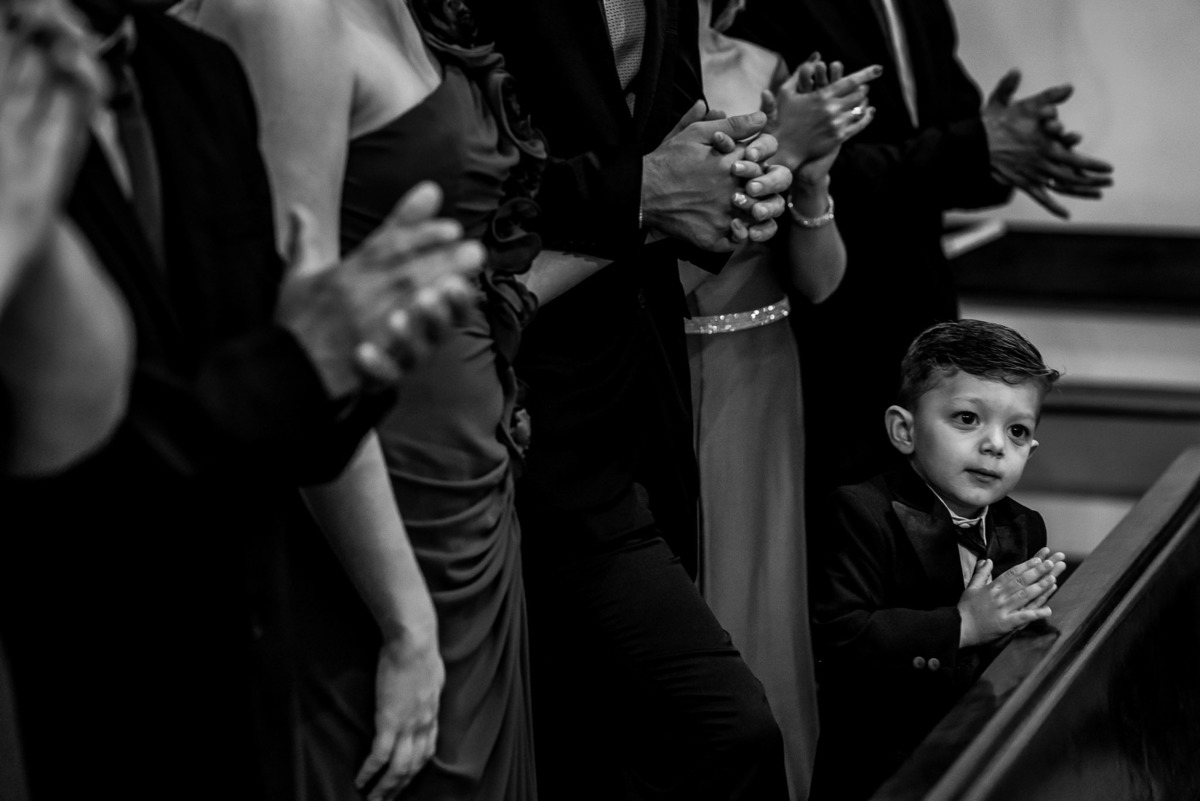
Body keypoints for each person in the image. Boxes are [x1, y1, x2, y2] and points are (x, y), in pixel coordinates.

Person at [0, 1, 483, 799]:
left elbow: (271, 390)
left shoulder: (195, 73)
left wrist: (351, 356)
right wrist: (299, 366)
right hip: (62, 707)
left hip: (237, 691)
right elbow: (72, 482)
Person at [195, 0, 547, 797]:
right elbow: (295, 335)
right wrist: (404, 620)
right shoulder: (287, 17)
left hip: (470, 500)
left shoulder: (419, 8)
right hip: (375, 518)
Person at [468, 0, 795, 798]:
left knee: (652, 747)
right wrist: (643, 196)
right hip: (495, 389)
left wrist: (735, 180)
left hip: (636, 388)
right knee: (714, 726)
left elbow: (672, 132)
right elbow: (455, 168)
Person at [727, 0, 1114, 494]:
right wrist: (976, 146)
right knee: (846, 531)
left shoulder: (919, 6)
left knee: (923, 528)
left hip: (923, 320)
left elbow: (953, 157)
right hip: (825, 324)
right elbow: (805, 168)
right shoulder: (773, 11)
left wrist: (1009, 150)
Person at [686, 2, 878, 796]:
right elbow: (673, 259)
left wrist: (815, 173)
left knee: (771, 596)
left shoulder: (765, 64)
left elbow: (821, 279)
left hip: (771, 365)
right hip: (685, 365)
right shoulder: (637, 77)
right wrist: (785, 142)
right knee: (705, 596)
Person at [809, 319, 1068, 800]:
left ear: (1030, 451)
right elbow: (839, 638)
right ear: (904, 430)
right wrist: (963, 626)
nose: (994, 444)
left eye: (1016, 431)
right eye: (967, 419)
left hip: (982, 754)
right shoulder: (861, 512)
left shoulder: (1024, 526)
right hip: (882, 765)